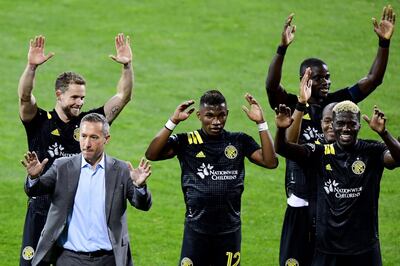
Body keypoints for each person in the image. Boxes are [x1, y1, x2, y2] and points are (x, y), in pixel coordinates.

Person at [265, 6, 395, 266]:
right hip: (302, 199)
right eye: (321, 78)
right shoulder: (290, 104)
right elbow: (271, 86)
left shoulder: (338, 104)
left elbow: (373, 79)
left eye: (329, 77)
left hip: (332, 199)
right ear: (306, 78)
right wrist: (282, 49)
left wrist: (383, 43)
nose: (327, 82)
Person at [18, 33, 134, 265]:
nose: (79, 103)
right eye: (74, 97)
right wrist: (31, 67)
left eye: (82, 97)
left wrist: (127, 67)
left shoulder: (89, 124)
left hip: (73, 215)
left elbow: (123, 96)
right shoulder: (40, 120)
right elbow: (24, 97)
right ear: (59, 95)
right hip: (42, 210)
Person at [145, 90, 278, 265]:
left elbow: (270, 162)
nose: (216, 121)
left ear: (227, 114)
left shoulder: (239, 140)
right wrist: (173, 122)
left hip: (229, 231)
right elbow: (152, 154)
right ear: (199, 115)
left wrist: (261, 123)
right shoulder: (186, 142)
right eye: (210, 116)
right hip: (196, 231)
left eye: (221, 115)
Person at [274, 100, 400, 266]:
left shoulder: (372, 150)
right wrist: (282, 129)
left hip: (364, 247)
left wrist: (384, 133)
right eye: (340, 123)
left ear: (359, 126)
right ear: (333, 125)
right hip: (327, 249)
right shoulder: (319, 152)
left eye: (351, 123)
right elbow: (283, 149)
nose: (346, 128)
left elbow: (397, 158)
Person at [21, 113, 152, 266]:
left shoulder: (121, 170)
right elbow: (35, 190)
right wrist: (34, 178)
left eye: (94, 137)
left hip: (109, 259)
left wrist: (140, 186)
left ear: (106, 139)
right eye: (83, 136)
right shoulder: (61, 166)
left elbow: (142, 205)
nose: (86, 143)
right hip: (69, 258)